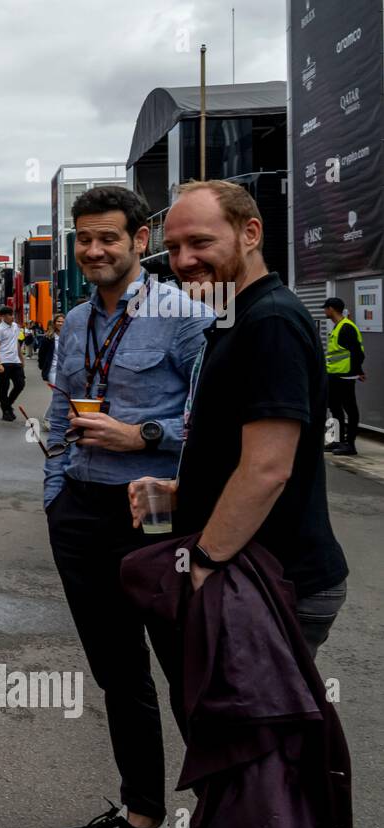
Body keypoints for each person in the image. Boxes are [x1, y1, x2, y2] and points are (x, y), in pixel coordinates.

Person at [44, 185, 212, 828]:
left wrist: (140, 435)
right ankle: (144, 819)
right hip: (80, 513)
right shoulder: (75, 320)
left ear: (140, 240)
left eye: (108, 237)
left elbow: (209, 425)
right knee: (119, 674)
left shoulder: (184, 316)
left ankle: (235, 814)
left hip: (157, 514)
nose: (93, 250)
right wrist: (55, 491)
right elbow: (60, 411)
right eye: (83, 238)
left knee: (186, 673)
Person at [132, 178, 349, 661]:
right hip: (254, 570)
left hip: (272, 579)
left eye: (201, 242)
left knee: (251, 734)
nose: (184, 259)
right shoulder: (237, 317)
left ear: (250, 233)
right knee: (232, 730)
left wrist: (206, 561)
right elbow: (237, 449)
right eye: (173, 247)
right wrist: (182, 490)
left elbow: (267, 468)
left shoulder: (269, 320)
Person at [324, 297, 365, 456]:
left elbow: (357, 352)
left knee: (350, 408)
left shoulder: (346, 327)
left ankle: (350, 444)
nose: (324, 311)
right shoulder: (338, 326)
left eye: (325, 308)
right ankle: (336, 440)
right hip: (335, 374)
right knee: (334, 407)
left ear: (332, 309)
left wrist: (358, 371)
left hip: (346, 375)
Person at [0, 305, 25, 420]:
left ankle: (7, 405)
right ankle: (6, 411)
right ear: (4, 316)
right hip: (4, 361)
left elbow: (17, 343)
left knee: (20, 384)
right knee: (4, 387)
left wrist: (21, 358)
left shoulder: (15, 326)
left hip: (15, 361)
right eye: (10, 315)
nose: (12, 317)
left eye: (12, 314)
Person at [37, 312, 64, 383]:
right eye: (58, 321)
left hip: (66, 370)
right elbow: (42, 353)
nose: (61, 323)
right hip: (52, 369)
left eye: (63, 322)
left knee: (65, 393)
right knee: (57, 390)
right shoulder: (48, 338)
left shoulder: (69, 337)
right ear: (54, 323)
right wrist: (43, 366)